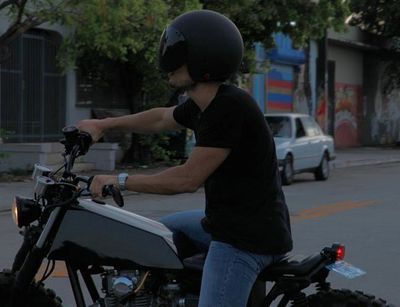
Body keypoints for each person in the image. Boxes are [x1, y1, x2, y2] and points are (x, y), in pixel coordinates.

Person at [77, 9, 292, 307]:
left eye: (177, 52)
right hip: (227, 222)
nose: (168, 59)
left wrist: (119, 181)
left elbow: (186, 179)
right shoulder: (205, 103)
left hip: (245, 240)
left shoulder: (228, 108)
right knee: (157, 233)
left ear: (202, 59)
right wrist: (104, 125)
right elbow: (160, 118)